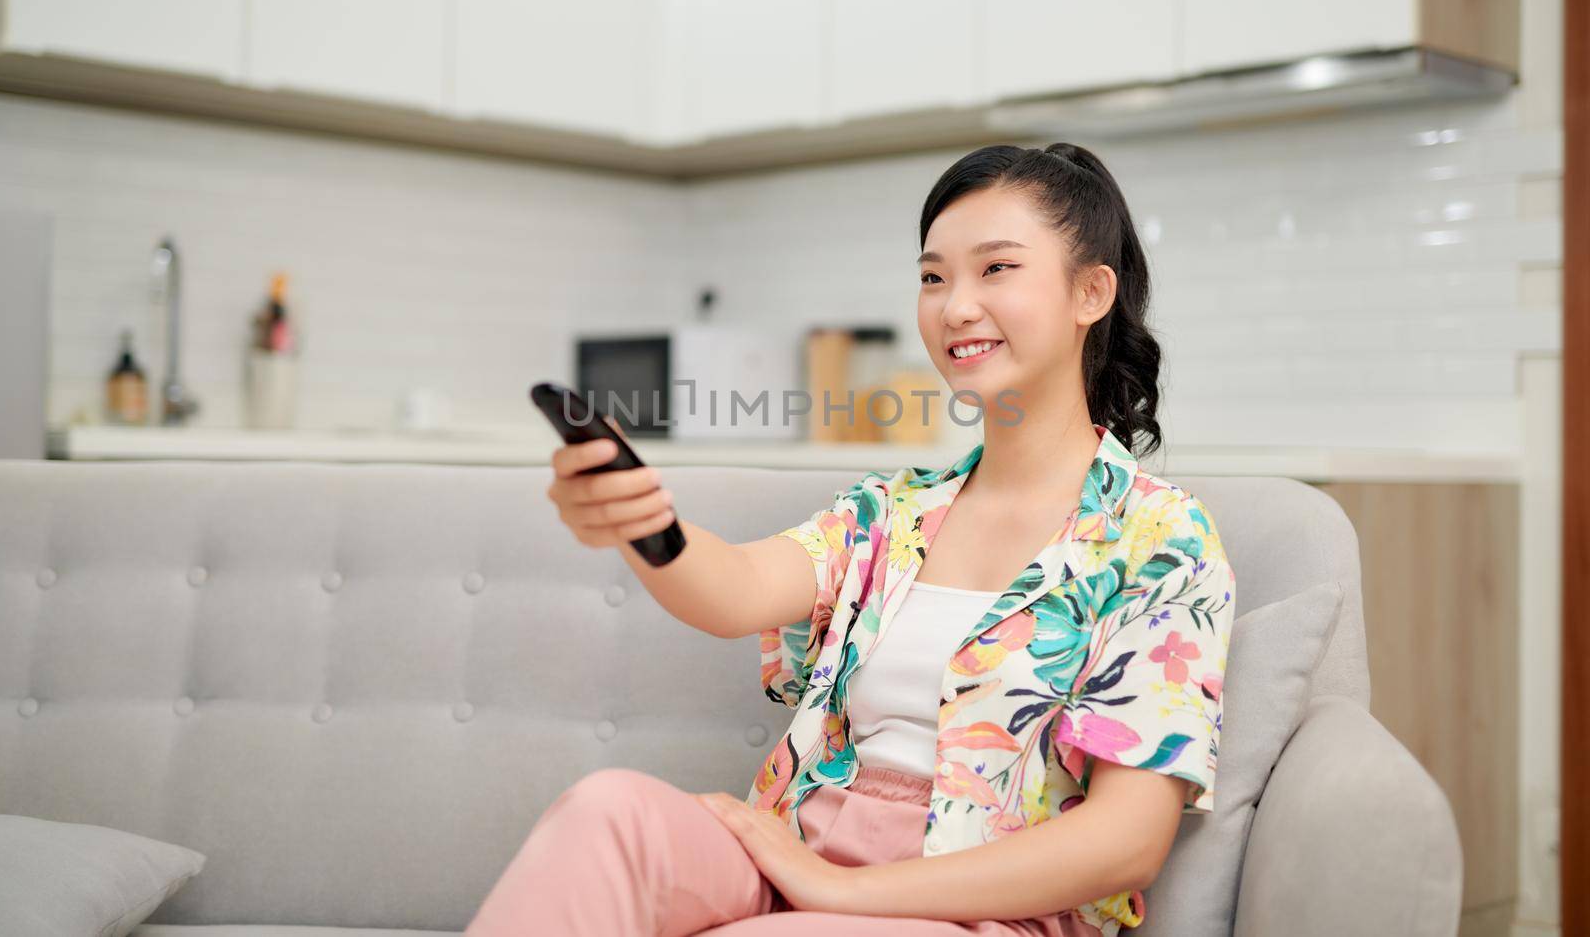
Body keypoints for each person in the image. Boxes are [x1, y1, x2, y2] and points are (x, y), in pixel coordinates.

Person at [465, 142, 1237, 937]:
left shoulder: (1160, 540)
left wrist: (843, 893)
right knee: (608, 813)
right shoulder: (891, 513)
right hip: (805, 858)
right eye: (934, 276)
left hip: (986, 912)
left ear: (1091, 293)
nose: (955, 306)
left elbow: (1127, 842)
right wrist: (637, 521)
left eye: (996, 269)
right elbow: (731, 587)